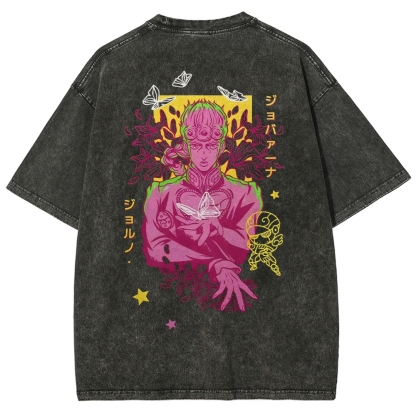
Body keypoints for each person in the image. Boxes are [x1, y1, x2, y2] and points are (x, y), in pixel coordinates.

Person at [141, 99, 263, 312]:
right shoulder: (160, 193)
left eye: (210, 146)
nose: (204, 154)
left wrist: (220, 230)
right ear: (186, 146)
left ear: (222, 146)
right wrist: (216, 263)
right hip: (167, 303)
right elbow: (156, 249)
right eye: (197, 146)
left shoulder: (246, 193)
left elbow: (249, 246)